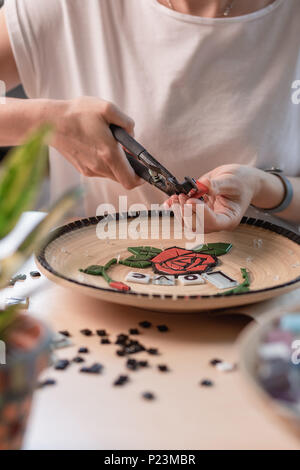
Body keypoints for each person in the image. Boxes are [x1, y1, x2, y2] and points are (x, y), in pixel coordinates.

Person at [0, 0, 299, 231]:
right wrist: (46, 122)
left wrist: (265, 187)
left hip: (273, 298)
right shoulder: (70, 7)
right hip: (94, 293)